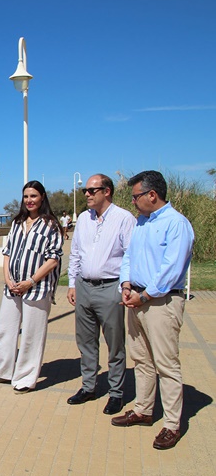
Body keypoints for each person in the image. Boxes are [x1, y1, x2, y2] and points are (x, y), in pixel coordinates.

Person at [112, 170, 194, 450]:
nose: (132, 202)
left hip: (160, 302)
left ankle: (172, 424)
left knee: (166, 365)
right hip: (135, 298)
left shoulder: (176, 224)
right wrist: (125, 284)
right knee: (142, 360)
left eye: (135, 196)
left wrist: (144, 296)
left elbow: (170, 269)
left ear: (152, 195)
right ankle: (143, 410)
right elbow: (129, 256)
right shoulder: (141, 223)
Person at [66, 174, 135, 415]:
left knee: (115, 343)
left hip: (110, 287)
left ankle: (116, 393)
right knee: (85, 342)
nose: (87, 194)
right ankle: (89, 386)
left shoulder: (124, 218)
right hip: (84, 286)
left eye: (92, 190)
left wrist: (125, 286)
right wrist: (72, 284)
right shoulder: (84, 219)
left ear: (106, 192)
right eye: (85, 190)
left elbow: (130, 255)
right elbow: (75, 253)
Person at [0, 180, 63, 394]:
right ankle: (5, 370)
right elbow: (7, 253)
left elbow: (53, 258)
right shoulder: (17, 223)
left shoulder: (50, 225)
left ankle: (26, 377)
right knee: (5, 329)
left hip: (37, 288)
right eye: (26, 196)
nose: (29, 200)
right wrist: (8, 279)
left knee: (32, 333)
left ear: (42, 198)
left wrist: (31, 281)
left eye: (34, 196)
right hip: (12, 287)